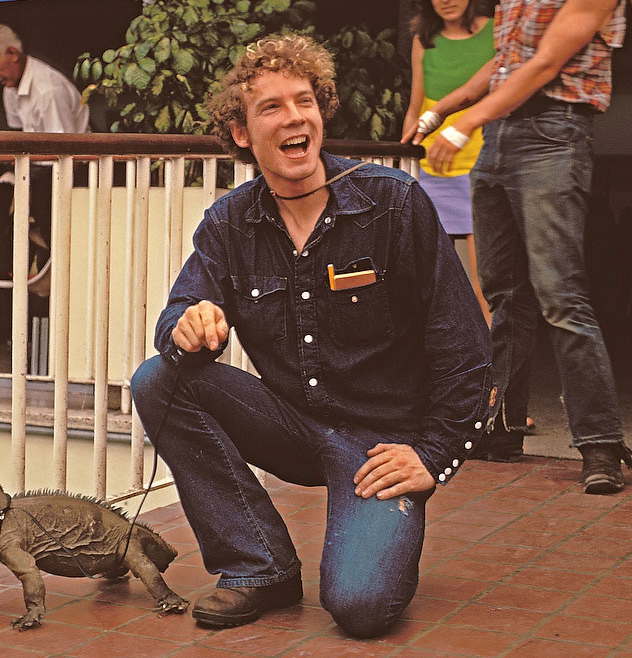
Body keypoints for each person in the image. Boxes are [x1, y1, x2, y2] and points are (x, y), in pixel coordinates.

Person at [130, 35, 492, 637]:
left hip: (378, 450)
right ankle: (259, 565)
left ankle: (366, 539)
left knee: (360, 608)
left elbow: (466, 346)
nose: (294, 117)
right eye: (271, 107)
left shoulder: (394, 203)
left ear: (321, 113)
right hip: (292, 425)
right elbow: (175, 318)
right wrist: (189, 324)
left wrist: (434, 456)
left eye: (305, 101)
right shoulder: (230, 221)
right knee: (159, 378)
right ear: (242, 133)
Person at [404, 0, 631, 491]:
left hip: (555, 135)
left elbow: (544, 65)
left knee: (560, 294)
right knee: (505, 292)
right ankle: (502, 428)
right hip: (500, 138)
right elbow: (506, 61)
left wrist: (466, 124)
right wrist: (447, 108)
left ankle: (598, 444)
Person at [404, 0, 493, 325]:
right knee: (429, 284)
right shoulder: (424, 39)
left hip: (481, 168)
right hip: (431, 170)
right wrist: (406, 164)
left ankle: (492, 376)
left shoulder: (497, 29)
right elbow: (415, 106)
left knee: (485, 284)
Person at [0, 21, 89, 259]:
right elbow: (18, 133)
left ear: (12, 53)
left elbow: (63, 154)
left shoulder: (48, 90)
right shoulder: (11, 87)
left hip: (66, 171)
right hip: (36, 167)